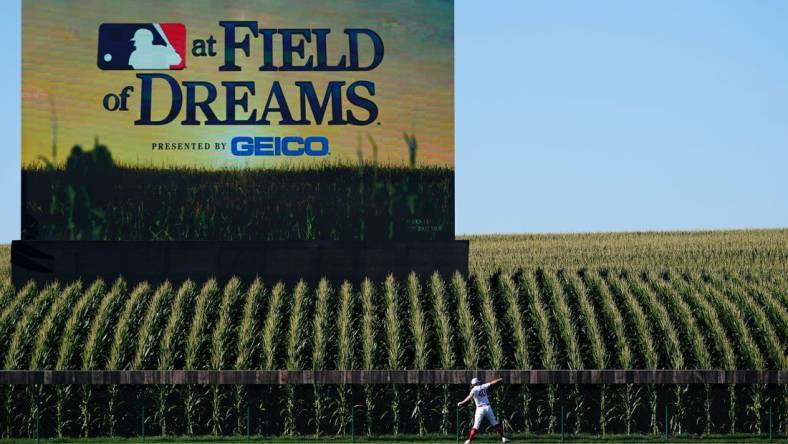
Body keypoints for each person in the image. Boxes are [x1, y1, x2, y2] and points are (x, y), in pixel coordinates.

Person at [457, 377, 511, 443]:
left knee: (476, 426)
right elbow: (492, 383)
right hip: (488, 407)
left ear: (473, 384)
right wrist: (499, 379)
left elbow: (469, 397)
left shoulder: (473, 390)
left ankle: (468, 440)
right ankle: (503, 438)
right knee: (495, 423)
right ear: (477, 382)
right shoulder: (483, 386)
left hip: (479, 409)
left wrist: (462, 402)